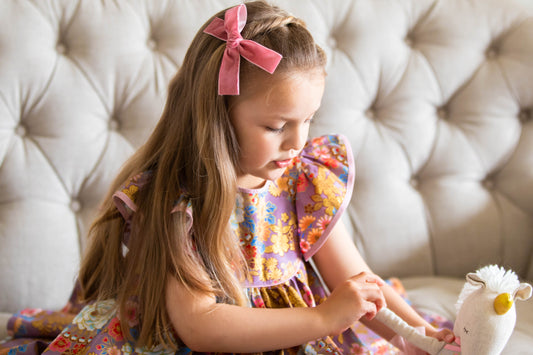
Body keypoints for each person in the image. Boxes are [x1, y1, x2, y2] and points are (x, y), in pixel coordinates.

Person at [2, 1, 454, 354]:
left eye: (309, 119)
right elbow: (198, 324)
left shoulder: (302, 180)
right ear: (217, 117)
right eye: (276, 126)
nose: (297, 142)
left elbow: (355, 278)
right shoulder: (181, 202)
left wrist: (420, 333)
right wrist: (322, 320)